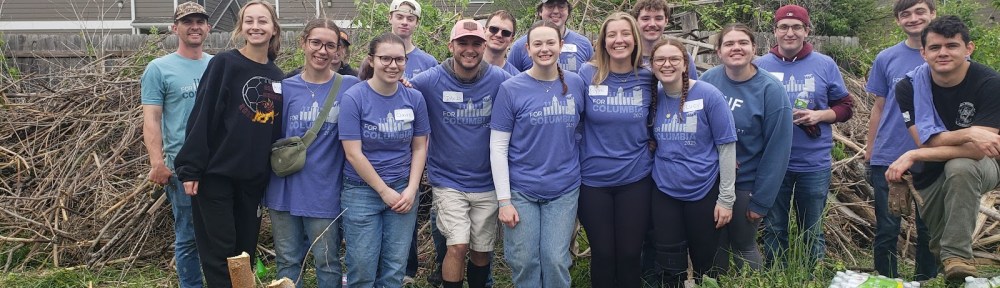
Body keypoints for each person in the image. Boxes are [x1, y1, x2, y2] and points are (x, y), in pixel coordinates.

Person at [173, 0, 284, 286]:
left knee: (244, 252)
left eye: (262, 21)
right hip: (216, 176)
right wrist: (190, 168)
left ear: (273, 29)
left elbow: (273, 130)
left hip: (252, 180)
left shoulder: (276, 77)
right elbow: (203, 115)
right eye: (249, 21)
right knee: (220, 254)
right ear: (241, 27)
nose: (256, 26)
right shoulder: (225, 64)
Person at [887, 15, 1000, 281]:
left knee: (960, 166)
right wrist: (970, 132)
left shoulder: (990, 83)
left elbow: (977, 151)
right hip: (931, 172)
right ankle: (955, 270)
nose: (943, 53)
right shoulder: (909, 87)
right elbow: (924, 140)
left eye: (952, 45)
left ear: (968, 49)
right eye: (935, 47)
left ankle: (959, 255)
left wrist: (914, 155)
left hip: (985, 165)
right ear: (923, 53)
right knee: (942, 251)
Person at [409, 19, 510, 288]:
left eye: (476, 43)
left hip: (487, 181)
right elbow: (399, 91)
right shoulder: (430, 80)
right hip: (448, 181)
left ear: (484, 46)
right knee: (458, 245)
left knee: (481, 251)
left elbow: (526, 97)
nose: (469, 49)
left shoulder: (501, 80)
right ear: (451, 45)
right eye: (463, 42)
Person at [754, 4, 854, 267]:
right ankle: (777, 273)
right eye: (783, 27)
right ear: (774, 31)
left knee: (812, 228)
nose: (790, 32)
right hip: (773, 163)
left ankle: (811, 275)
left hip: (813, 162)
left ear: (806, 30)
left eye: (797, 27)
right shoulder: (759, 66)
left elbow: (845, 107)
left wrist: (819, 116)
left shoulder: (824, 64)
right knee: (775, 227)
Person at [264, 18, 360, 288]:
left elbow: (382, 91)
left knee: (327, 264)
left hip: (324, 191)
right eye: (316, 43)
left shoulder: (350, 86)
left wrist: (405, 84)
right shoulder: (283, 88)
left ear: (338, 50)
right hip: (282, 189)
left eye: (330, 45)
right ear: (303, 43)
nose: (322, 50)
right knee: (287, 262)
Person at [490, 20, 586, 287]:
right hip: (522, 190)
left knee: (555, 259)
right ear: (527, 50)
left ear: (561, 47)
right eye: (538, 44)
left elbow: (585, 129)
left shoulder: (577, 84)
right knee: (523, 261)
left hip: (564, 188)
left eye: (550, 43)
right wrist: (504, 200)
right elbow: (498, 146)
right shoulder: (511, 89)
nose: (545, 49)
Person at [338, 32, 431, 288]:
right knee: (362, 267)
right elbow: (353, 153)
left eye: (399, 59)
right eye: (385, 59)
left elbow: (420, 147)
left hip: (403, 190)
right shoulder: (355, 97)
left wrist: (412, 189)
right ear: (371, 60)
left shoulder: (414, 98)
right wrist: (383, 191)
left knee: (394, 269)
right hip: (361, 191)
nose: (393, 65)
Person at [701, 23, 793, 272]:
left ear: (754, 48)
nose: (736, 48)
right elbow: (697, 131)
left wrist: (761, 200)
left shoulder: (770, 90)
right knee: (713, 245)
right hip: (710, 181)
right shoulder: (708, 81)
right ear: (718, 51)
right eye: (729, 43)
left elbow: (778, 150)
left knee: (743, 245)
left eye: (743, 43)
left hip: (747, 184)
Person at [574, 12, 653, 288]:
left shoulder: (649, 77)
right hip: (593, 180)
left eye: (625, 34)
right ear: (603, 41)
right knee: (604, 254)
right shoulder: (586, 75)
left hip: (636, 178)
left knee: (631, 254)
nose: (619, 40)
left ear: (635, 39)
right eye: (612, 35)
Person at [648, 39, 735, 288]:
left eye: (674, 59)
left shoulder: (709, 95)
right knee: (667, 259)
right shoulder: (655, 98)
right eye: (660, 60)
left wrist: (726, 199)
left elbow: (727, 146)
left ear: (685, 64)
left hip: (703, 189)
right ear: (652, 66)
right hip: (664, 190)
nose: (667, 64)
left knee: (706, 260)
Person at [863, 0, 938, 280]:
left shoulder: (945, 53)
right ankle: (886, 280)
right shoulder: (887, 58)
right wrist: (870, 150)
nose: (914, 18)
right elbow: (880, 107)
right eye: (905, 14)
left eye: (920, 11)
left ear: (933, 14)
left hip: (932, 154)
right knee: (886, 227)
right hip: (890, 153)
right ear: (897, 20)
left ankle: (926, 280)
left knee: (929, 227)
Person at [139, 2, 210, 287]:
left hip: (216, 165)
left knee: (220, 234)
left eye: (200, 21)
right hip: (181, 167)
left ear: (208, 27)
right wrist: (157, 162)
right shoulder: (159, 68)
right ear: (175, 28)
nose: (194, 26)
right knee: (188, 237)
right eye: (187, 21)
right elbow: (152, 119)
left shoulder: (218, 64)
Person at [507, 0, 593, 73]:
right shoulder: (520, 46)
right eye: (550, 6)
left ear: (568, 11)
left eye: (561, 6)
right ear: (540, 11)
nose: (556, 11)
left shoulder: (584, 44)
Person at [630, 0, 698, 79]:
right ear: (636, 21)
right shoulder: (627, 58)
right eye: (645, 19)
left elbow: (693, 89)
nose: (652, 24)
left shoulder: (682, 57)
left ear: (666, 21)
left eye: (658, 18)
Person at [389, 0, 438, 79]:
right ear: (390, 18)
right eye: (399, 17)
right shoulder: (377, 57)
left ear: (417, 23)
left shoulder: (429, 63)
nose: (404, 22)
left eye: (410, 19)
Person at [284, 30, 358, 78]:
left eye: (341, 46)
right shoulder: (295, 76)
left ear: (346, 51)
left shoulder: (354, 77)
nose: (337, 50)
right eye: (330, 46)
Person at [484, 10, 520, 75]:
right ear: (484, 31)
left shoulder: (515, 78)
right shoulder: (466, 68)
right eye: (493, 29)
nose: (498, 35)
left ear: (511, 39)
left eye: (506, 33)